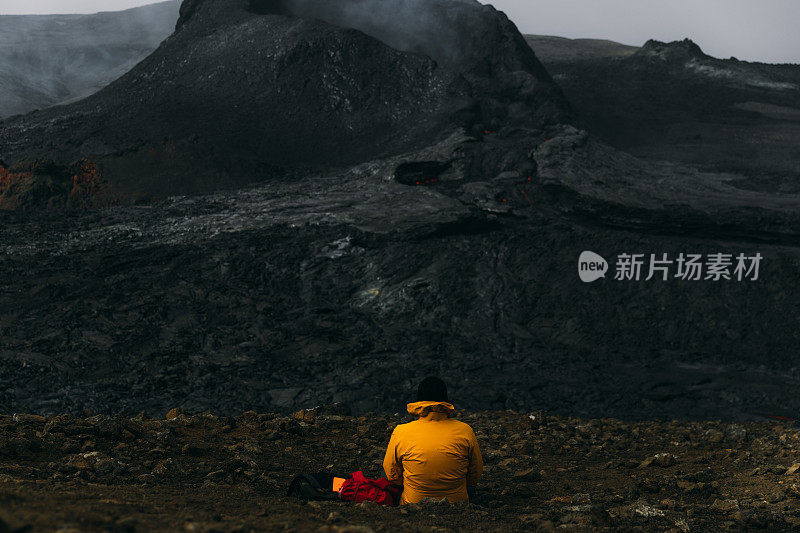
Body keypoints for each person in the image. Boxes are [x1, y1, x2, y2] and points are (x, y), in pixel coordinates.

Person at [382, 376, 483, 505]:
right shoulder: (465, 430)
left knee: (388, 469)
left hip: (413, 504)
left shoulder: (401, 431)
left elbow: (392, 475)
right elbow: (476, 472)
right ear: (445, 400)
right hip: (457, 504)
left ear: (419, 401)